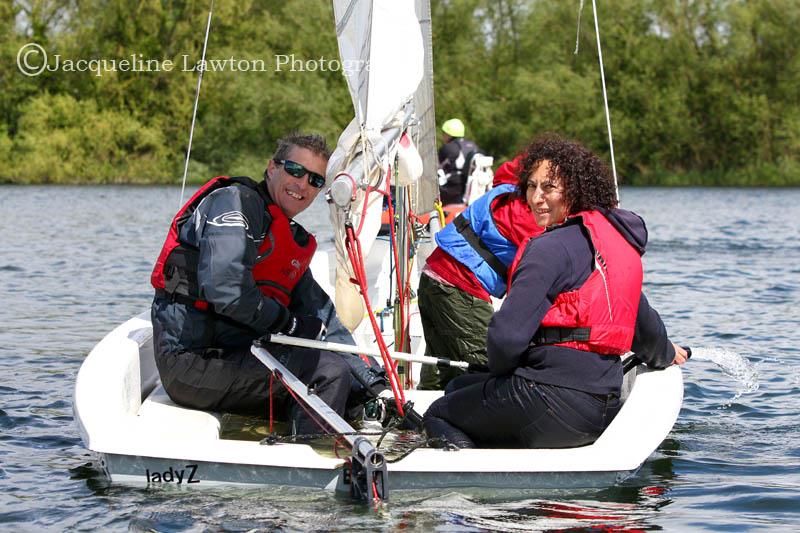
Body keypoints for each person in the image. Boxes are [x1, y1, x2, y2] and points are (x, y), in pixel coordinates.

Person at [423, 134, 689, 448]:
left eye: (548, 188)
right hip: (601, 405)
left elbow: (505, 339)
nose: (536, 198)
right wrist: (668, 353)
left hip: (549, 402)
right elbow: (646, 330)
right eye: (531, 186)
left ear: (574, 190)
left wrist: (505, 377)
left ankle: (479, 492)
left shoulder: (548, 247)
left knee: (438, 413)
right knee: (461, 388)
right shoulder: (616, 245)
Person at [150, 133, 390, 436]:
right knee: (329, 373)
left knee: (354, 387)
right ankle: (308, 458)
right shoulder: (234, 202)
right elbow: (227, 290)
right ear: (272, 167)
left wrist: (372, 383)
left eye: (315, 180)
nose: (302, 185)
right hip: (191, 363)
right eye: (295, 170)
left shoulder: (284, 237)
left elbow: (322, 317)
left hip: (237, 354)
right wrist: (287, 323)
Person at [418, 155, 543, 390]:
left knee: (442, 369)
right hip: (458, 289)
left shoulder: (507, 191)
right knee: (493, 367)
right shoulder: (523, 213)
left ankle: (419, 419)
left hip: (433, 278)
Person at [438, 118, 482, 205]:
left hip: (452, 191)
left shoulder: (448, 148)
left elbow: (437, 167)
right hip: (471, 190)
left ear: (449, 134)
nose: (443, 135)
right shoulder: (473, 145)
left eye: (444, 133)